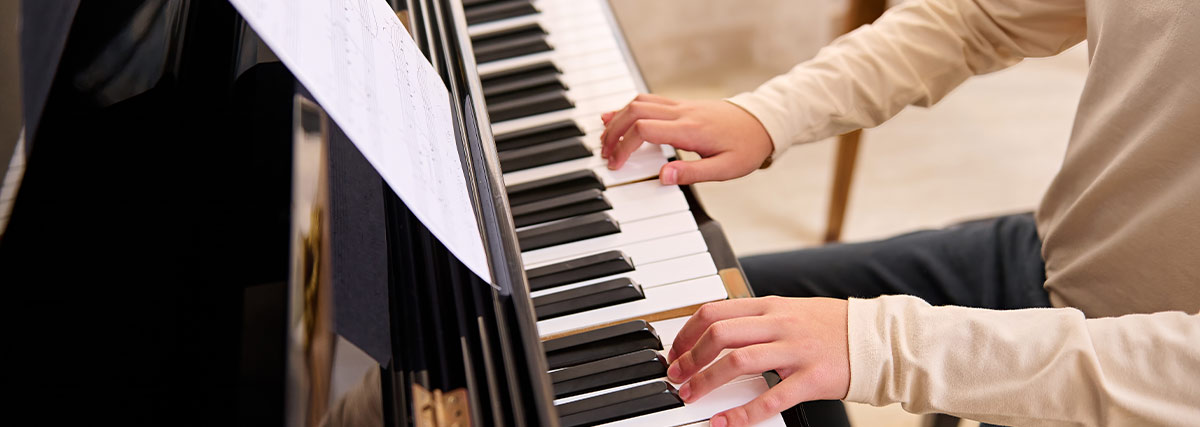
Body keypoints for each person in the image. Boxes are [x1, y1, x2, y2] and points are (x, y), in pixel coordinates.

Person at [598, 0, 1200, 425]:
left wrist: (883, 348)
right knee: (685, 317)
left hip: (1147, 383)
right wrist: (770, 113)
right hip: (1056, 251)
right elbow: (979, 15)